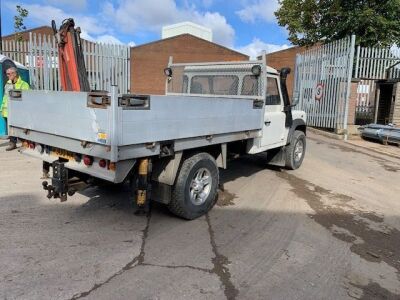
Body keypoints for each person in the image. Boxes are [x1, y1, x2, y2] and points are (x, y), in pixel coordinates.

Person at [0, 66, 30, 151]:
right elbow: (5, 97)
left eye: (9, 74)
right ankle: (12, 143)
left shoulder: (23, 84)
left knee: (21, 127)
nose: (8, 76)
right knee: (11, 128)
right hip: (7, 110)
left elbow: (27, 98)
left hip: (19, 111)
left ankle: (25, 143)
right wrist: (1, 109)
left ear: (15, 74)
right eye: (7, 74)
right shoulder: (7, 84)